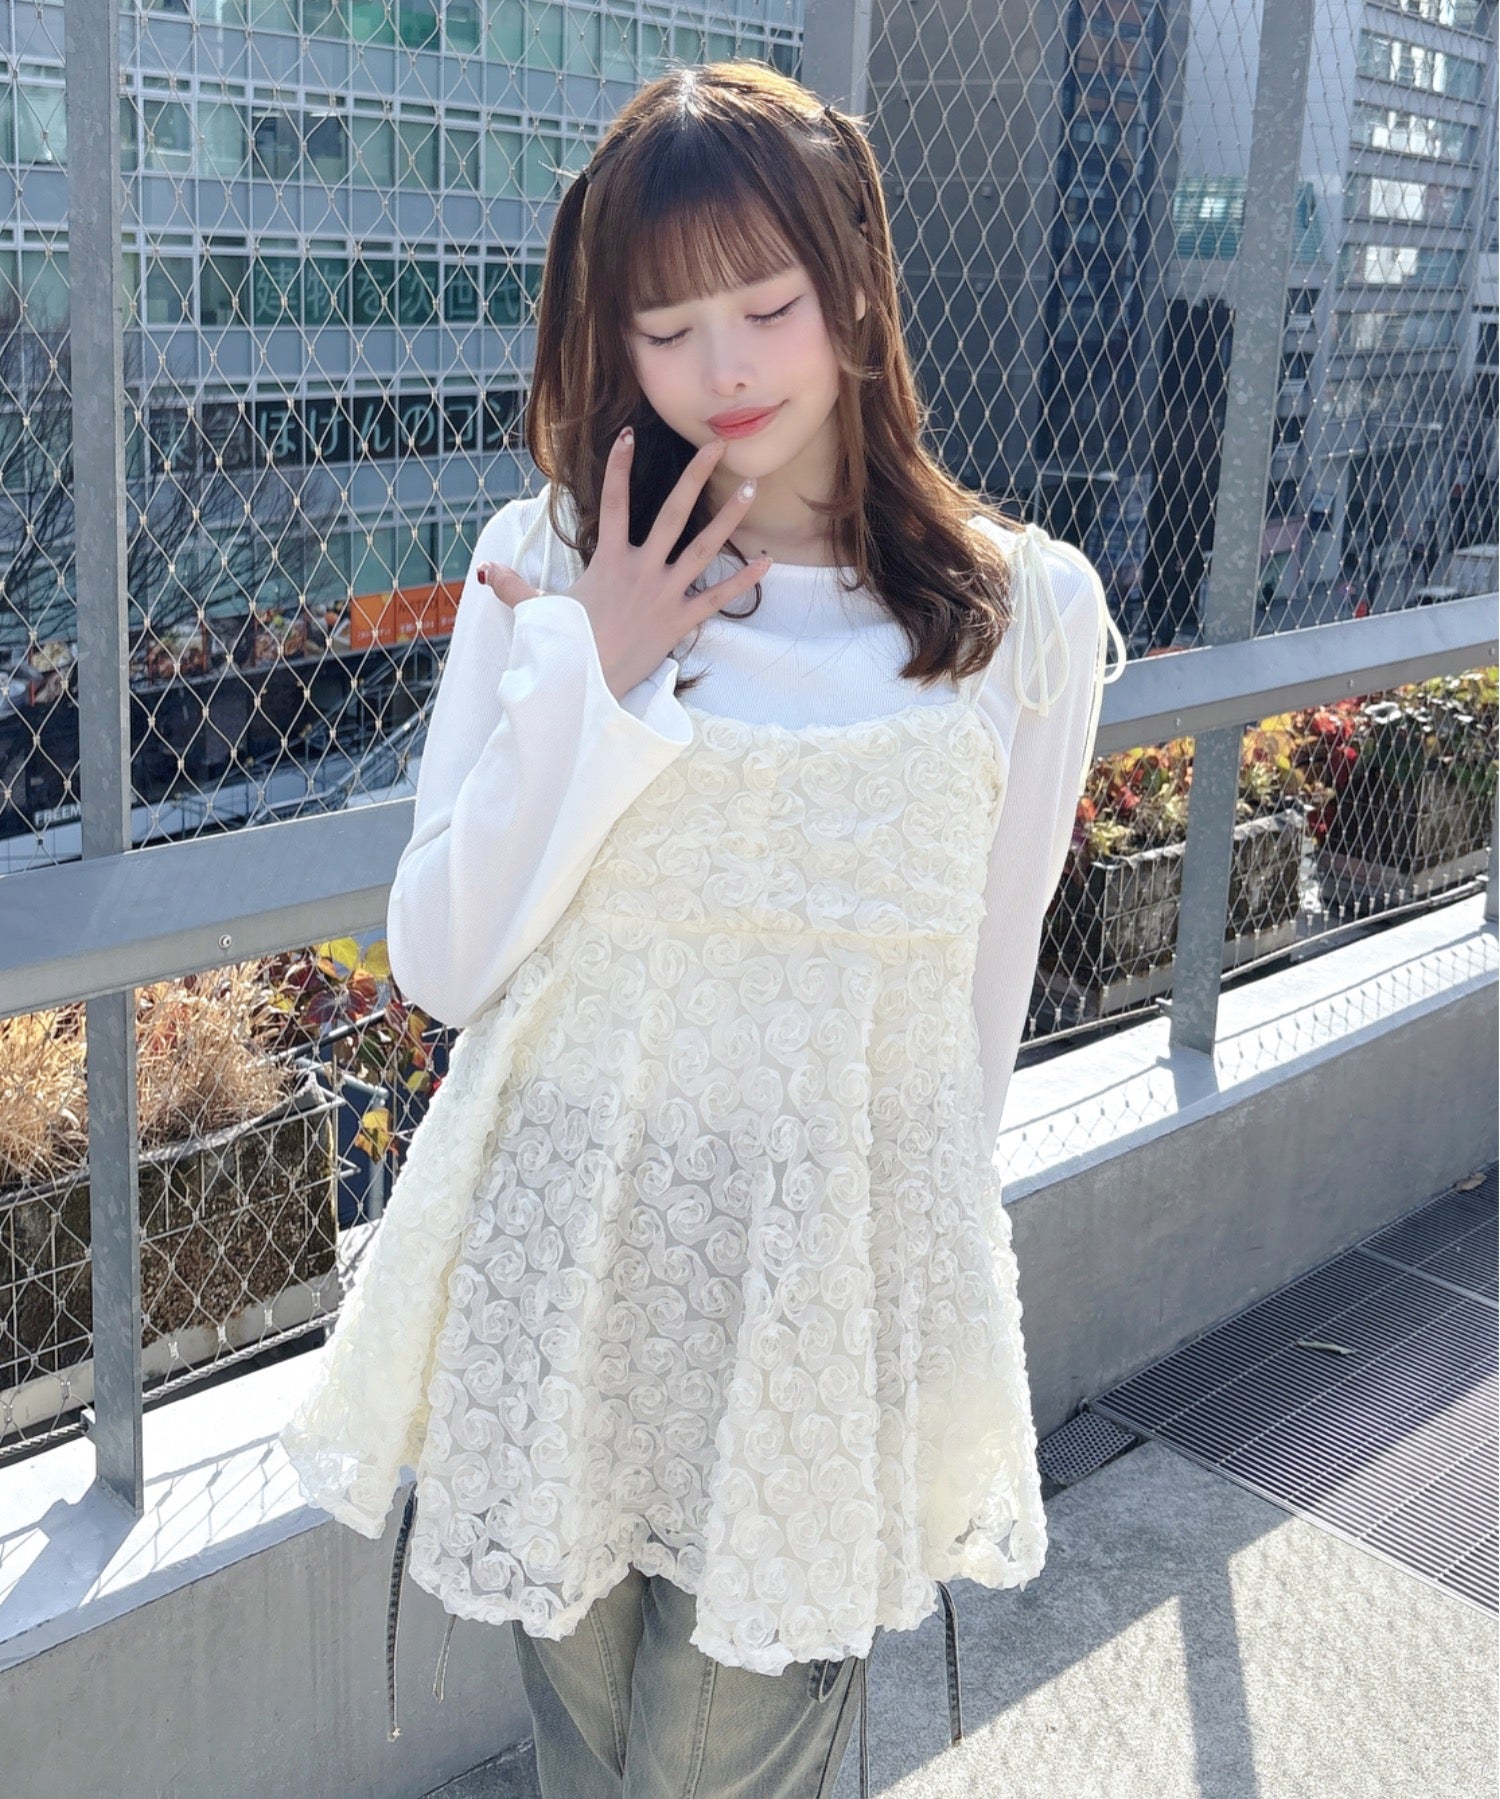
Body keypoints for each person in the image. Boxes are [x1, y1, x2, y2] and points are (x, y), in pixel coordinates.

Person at [280, 60, 1126, 1799]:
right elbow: (443, 957)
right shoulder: (547, 562)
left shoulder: (1021, 611)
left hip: (813, 1298)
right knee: (591, 1768)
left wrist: (903, 1322)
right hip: (568, 1264)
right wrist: (595, 667)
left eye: (768, 305)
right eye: (665, 328)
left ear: (858, 287)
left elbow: (978, 1006)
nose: (723, 369)